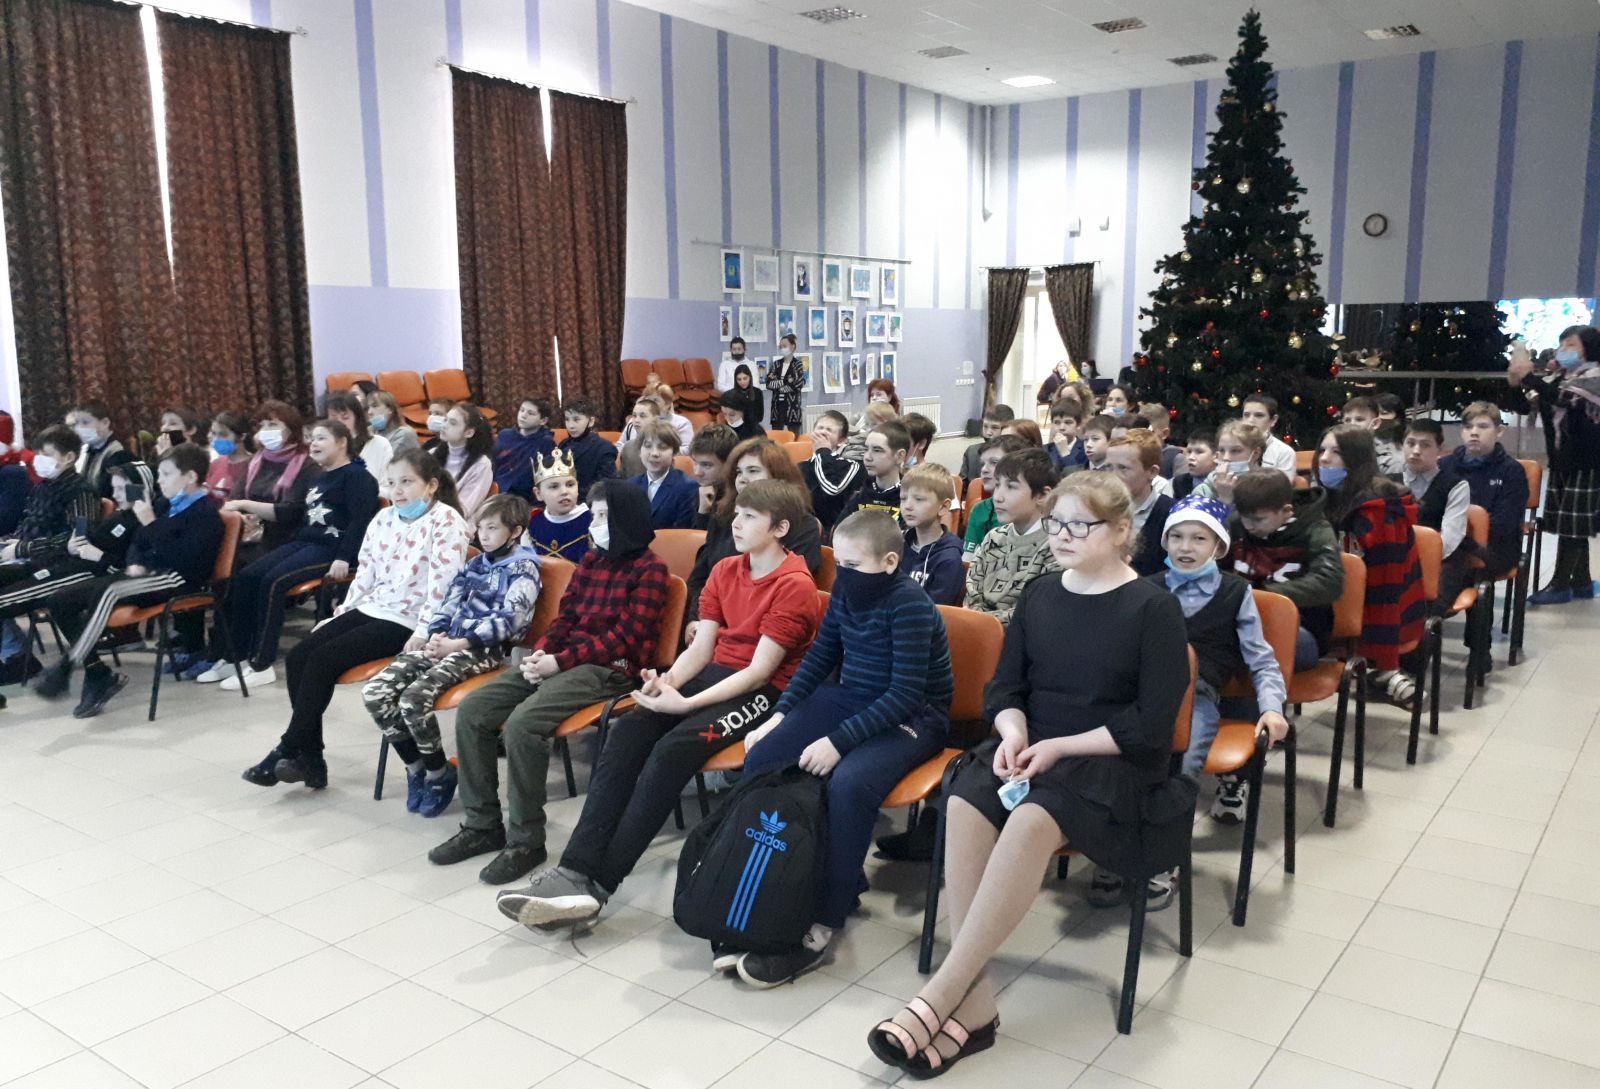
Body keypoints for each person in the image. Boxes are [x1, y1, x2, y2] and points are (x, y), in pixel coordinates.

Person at [867, 472, 1189, 1078]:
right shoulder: (1041, 593)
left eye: (1080, 526)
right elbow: (1006, 687)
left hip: (1110, 760)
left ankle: (943, 992)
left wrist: (1058, 747)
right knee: (965, 800)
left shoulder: (1153, 607)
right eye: (1057, 522)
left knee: (1033, 819)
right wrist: (1014, 733)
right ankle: (977, 1007)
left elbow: (1151, 724)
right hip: (1032, 744)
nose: (1063, 535)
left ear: (1122, 530)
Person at [494, 480, 821, 927]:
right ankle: (573, 870)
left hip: (766, 695)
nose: (736, 523)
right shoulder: (726, 569)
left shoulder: (795, 585)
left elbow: (759, 673)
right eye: (737, 513)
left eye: (750, 517)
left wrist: (685, 705)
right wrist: (668, 684)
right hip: (714, 676)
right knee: (627, 733)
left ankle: (598, 887)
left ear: (780, 529)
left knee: (670, 752)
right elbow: (701, 650)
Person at [735, 510, 955, 984]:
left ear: (890, 562)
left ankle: (824, 920)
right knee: (763, 757)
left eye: (854, 565)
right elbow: (820, 657)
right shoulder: (845, 592)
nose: (843, 575)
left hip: (916, 716)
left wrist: (838, 742)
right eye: (840, 564)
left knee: (850, 784)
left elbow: (904, 695)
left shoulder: (910, 605)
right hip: (854, 697)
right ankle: (780, 884)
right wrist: (779, 715)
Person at [429, 481, 668, 883]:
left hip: (611, 669)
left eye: (605, 516)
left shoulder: (651, 571)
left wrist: (560, 661)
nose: (596, 523)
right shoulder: (591, 561)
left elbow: (625, 638)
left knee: (524, 723)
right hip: (564, 659)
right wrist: (542, 653)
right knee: (473, 710)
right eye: (595, 515)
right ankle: (482, 825)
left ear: (627, 519)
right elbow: (566, 618)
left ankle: (526, 841)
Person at [242, 449, 471, 790]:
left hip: (410, 620)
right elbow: (365, 575)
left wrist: (424, 630)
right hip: (375, 607)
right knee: (298, 657)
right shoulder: (384, 518)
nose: (398, 491)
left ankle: (291, 748)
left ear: (431, 485)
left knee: (322, 659)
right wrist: (342, 613)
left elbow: (443, 586)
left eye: (407, 482)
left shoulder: (446, 521)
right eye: (391, 483)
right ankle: (310, 758)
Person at [363, 493, 542, 818]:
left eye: (492, 528)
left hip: (482, 651)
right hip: (448, 643)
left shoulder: (524, 568)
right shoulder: (476, 563)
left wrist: (458, 644)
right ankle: (416, 766)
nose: (482, 535)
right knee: (375, 692)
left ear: (515, 531)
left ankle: (437, 773)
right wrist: (436, 634)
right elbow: (449, 601)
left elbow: (510, 622)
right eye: (480, 528)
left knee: (413, 699)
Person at [35, 445, 224, 718]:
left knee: (109, 592)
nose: (160, 481)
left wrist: (151, 523)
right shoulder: (165, 505)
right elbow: (138, 542)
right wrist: (137, 560)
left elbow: (184, 560)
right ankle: (97, 672)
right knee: (61, 599)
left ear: (190, 477)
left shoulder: (205, 513)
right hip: (147, 575)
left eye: (167, 474)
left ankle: (68, 664)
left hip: (177, 579)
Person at [201, 420, 381, 691]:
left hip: (333, 550)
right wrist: (244, 504)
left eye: (321, 438)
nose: (314, 444)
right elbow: (293, 512)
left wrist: (344, 557)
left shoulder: (358, 477)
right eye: (312, 438)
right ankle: (236, 656)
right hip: (306, 541)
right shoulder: (318, 477)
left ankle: (261, 664)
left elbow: (361, 521)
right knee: (246, 576)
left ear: (342, 442)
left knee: (273, 582)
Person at [1153, 495, 1288, 829]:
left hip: (1198, 695)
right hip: (1146, 692)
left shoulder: (1235, 593)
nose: (1185, 547)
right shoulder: (1147, 589)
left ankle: (1165, 849)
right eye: (1176, 536)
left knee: (1184, 765)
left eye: (1199, 538)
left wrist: (1272, 708)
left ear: (1218, 547)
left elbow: (1261, 660)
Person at [1315, 425, 1427, 709]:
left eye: (1336, 452)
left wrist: (1385, 657)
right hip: (1339, 593)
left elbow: (1387, 586)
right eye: (1322, 450)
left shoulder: (1380, 508)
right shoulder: (1324, 497)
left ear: (1356, 459)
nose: (1324, 458)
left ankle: (1384, 671)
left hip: (1384, 602)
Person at [686, 437, 822, 640]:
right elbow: (701, 575)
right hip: (709, 622)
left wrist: (716, 630)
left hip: (760, 634)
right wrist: (695, 621)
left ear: (778, 477)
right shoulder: (724, 516)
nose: (742, 479)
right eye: (739, 472)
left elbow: (786, 594)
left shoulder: (802, 525)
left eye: (753, 471)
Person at [0, 425, 105, 685]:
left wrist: (22, 548)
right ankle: (15, 653)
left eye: (46, 455)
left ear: (69, 457)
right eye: (38, 454)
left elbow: (77, 541)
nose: (39, 460)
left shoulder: (80, 491)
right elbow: (27, 527)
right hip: (28, 559)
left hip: (58, 565)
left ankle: (18, 660)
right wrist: (8, 543)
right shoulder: (42, 487)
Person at [1509, 328, 1600, 603]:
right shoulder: (1559, 378)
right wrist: (1515, 383)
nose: (1563, 350)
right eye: (1561, 345)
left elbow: (1563, 398)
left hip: (1587, 463)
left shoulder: (1594, 377)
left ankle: (1560, 586)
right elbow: (1526, 406)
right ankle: (1582, 583)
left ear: (1589, 348)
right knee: (1571, 523)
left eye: (1571, 345)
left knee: (1571, 525)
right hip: (1562, 461)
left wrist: (1529, 377)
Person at [1228, 469, 1345, 672]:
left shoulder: (1315, 530)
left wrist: (1263, 596)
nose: (1248, 526)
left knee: (1253, 646)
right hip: (1240, 620)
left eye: (1258, 519)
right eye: (1243, 517)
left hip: (1301, 626)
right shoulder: (1236, 525)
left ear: (1286, 510)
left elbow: (1330, 582)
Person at [965, 448, 1057, 626]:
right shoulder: (993, 537)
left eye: (1011, 487)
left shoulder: (1056, 544)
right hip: (978, 630)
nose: (998, 497)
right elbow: (972, 591)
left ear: (1043, 495)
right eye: (997, 485)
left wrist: (982, 623)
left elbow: (1034, 612)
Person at [1440, 400, 1528, 578]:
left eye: (1482, 426)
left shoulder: (1512, 471)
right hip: (1446, 541)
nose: (1474, 432)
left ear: (1499, 431)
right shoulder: (1444, 466)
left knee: (1449, 569)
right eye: (1468, 427)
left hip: (1493, 548)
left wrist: (1462, 536)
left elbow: (1505, 523)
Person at [227, 401, 318, 562]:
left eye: (273, 424)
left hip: (286, 540)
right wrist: (241, 514)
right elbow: (235, 498)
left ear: (291, 430)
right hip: (252, 536)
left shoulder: (307, 466)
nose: (266, 430)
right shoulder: (256, 461)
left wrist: (245, 505)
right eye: (262, 425)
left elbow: (290, 512)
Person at [1105, 432, 1174, 577]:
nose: (1113, 476)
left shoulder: (1171, 514)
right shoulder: (1099, 510)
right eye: (1109, 467)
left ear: (1152, 472)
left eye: (1123, 468)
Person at [899, 464, 963, 605]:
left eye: (919, 499)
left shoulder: (949, 559)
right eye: (903, 498)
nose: (907, 506)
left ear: (943, 507)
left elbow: (936, 609)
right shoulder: (898, 545)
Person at [962, 434, 1029, 558]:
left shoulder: (1030, 510)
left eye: (994, 462)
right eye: (982, 464)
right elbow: (968, 560)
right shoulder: (980, 509)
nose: (984, 469)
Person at [426, 402, 494, 517]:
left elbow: (463, 510)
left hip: (452, 521)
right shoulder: (432, 453)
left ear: (469, 432)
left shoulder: (481, 465)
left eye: (452, 423)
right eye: (445, 420)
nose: (444, 425)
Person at [838, 419, 910, 524]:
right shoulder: (858, 496)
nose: (867, 457)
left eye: (877, 450)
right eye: (866, 449)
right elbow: (839, 531)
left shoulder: (909, 499)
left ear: (900, 456)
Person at [631, 421, 699, 530]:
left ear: (674, 452)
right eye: (648, 446)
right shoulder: (630, 485)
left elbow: (682, 532)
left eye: (662, 447)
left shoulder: (687, 487)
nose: (654, 453)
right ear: (639, 451)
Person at [526, 450, 591, 563]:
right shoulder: (533, 524)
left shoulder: (592, 521)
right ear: (538, 493)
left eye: (570, 485)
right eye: (554, 487)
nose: (564, 491)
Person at [802, 410, 862, 532]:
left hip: (837, 530)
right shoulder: (801, 466)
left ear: (842, 441)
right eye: (820, 428)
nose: (823, 432)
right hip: (806, 529)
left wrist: (823, 451)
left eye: (829, 430)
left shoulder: (850, 465)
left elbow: (831, 489)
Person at [65, 400, 133, 499]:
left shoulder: (120, 455)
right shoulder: (86, 451)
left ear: (105, 423)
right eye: (77, 424)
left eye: (85, 422)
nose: (79, 428)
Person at [493, 395, 557, 501]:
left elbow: (544, 478)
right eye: (522, 410)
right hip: (497, 491)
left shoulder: (546, 443)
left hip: (525, 498)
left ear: (543, 421)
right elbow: (493, 464)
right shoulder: (505, 435)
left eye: (530, 413)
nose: (523, 415)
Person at [326, 390, 392, 485]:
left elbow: (389, 486)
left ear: (357, 418)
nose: (339, 423)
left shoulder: (380, 444)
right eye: (333, 418)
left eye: (345, 418)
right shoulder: (323, 449)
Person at [1193, 419, 1266, 504]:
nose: (1226, 458)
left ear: (1256, 453)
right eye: (1222, 450)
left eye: (1235, 451)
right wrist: (1224, 498)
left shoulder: (1268, 487)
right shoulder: (1203, 490)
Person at [560, 397, 619, 494]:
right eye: (567, 419)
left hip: (590, 499)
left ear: (591, 421)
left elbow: (606, 484)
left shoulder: (604, 448)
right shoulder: (563, 445)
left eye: (576, 420)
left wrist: (574, 493)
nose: (570, 425)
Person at [688, 423, 739, 529]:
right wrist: (703, 511)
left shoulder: (740, 500)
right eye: (695, 462)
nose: (697, 472)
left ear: (729, 464)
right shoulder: (701, 489)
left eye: (706, 465)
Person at [203, 411, 253, 507]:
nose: (216, 439)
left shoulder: (254, 465)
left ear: (242, 436)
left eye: (223, 435)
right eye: (214, 433)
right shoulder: (215, 463)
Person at [1341, 396, 1403, 475]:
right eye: (1347, 420)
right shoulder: (1333, 453)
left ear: (1375, 423)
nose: (1352, 424)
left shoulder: (1391, 461)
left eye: (1359, 419)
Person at [1240, 394, 1297, 480]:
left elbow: (1283, 486)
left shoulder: (1284, 452)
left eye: (1259, 415)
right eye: (1246, 415)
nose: (1250, 420)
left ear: (1273, 420)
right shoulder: (1230, 446)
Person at [960, 404, 1014, 488]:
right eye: (985, 426)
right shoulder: (972, 452)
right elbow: (962, 486)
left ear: (1007, 429)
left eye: (994, 428)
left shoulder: (1014, 454)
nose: (988, 432)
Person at [617, 394, 665, 478]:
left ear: (656, 419)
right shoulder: (628, 447)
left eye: (642, 416)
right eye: (634, 416)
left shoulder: (665, 446)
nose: (637, 420)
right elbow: (623, 477)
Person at [766, 335, 806, 432]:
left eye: (784, 346)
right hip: (777, 407)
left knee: (794, 436)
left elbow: (798, 384)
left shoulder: (797, 364)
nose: (782, 348)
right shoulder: (776, 364)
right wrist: (786, 381)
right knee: (776, 436)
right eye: (780, 346)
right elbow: (769, 384)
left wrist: (778, 385)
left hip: (792, 408)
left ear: (792, 346)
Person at [1136, 402, 1184, 479]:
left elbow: (1180, 484)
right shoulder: (1132, 454)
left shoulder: (1175, 458)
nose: (1141, 437)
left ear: (1164, 434)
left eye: (1148, 433)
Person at [365, 389, 420, 457]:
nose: (369, 412)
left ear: (390, 409)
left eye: (375, 406)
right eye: (368, 408)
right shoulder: (377, 431)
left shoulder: (404, 433)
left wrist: (370, 441)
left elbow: (384, 460)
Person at [720, 364, 766, 441]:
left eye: (745, 378)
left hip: (752, 430)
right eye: (739, 379)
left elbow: (760, 416)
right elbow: (727, 418)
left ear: (750, 377)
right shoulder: (730, 395)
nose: (742, 382)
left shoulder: (757, 392)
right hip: (734, 430)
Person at [1046, 396, 1088, 474]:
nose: (1062, 428)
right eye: (1057, 422)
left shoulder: (1085, 449)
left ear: (1078, 424)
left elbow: (1077, 476)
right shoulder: (1045, 450)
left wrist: (1065, 453)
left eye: (1068, 422)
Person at [1173, 428, 1217, 500]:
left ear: (1216, 456)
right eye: (1189, 451)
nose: (1191, 457)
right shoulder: (1179, 482)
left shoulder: (1225, 484)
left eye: (1199, 452)